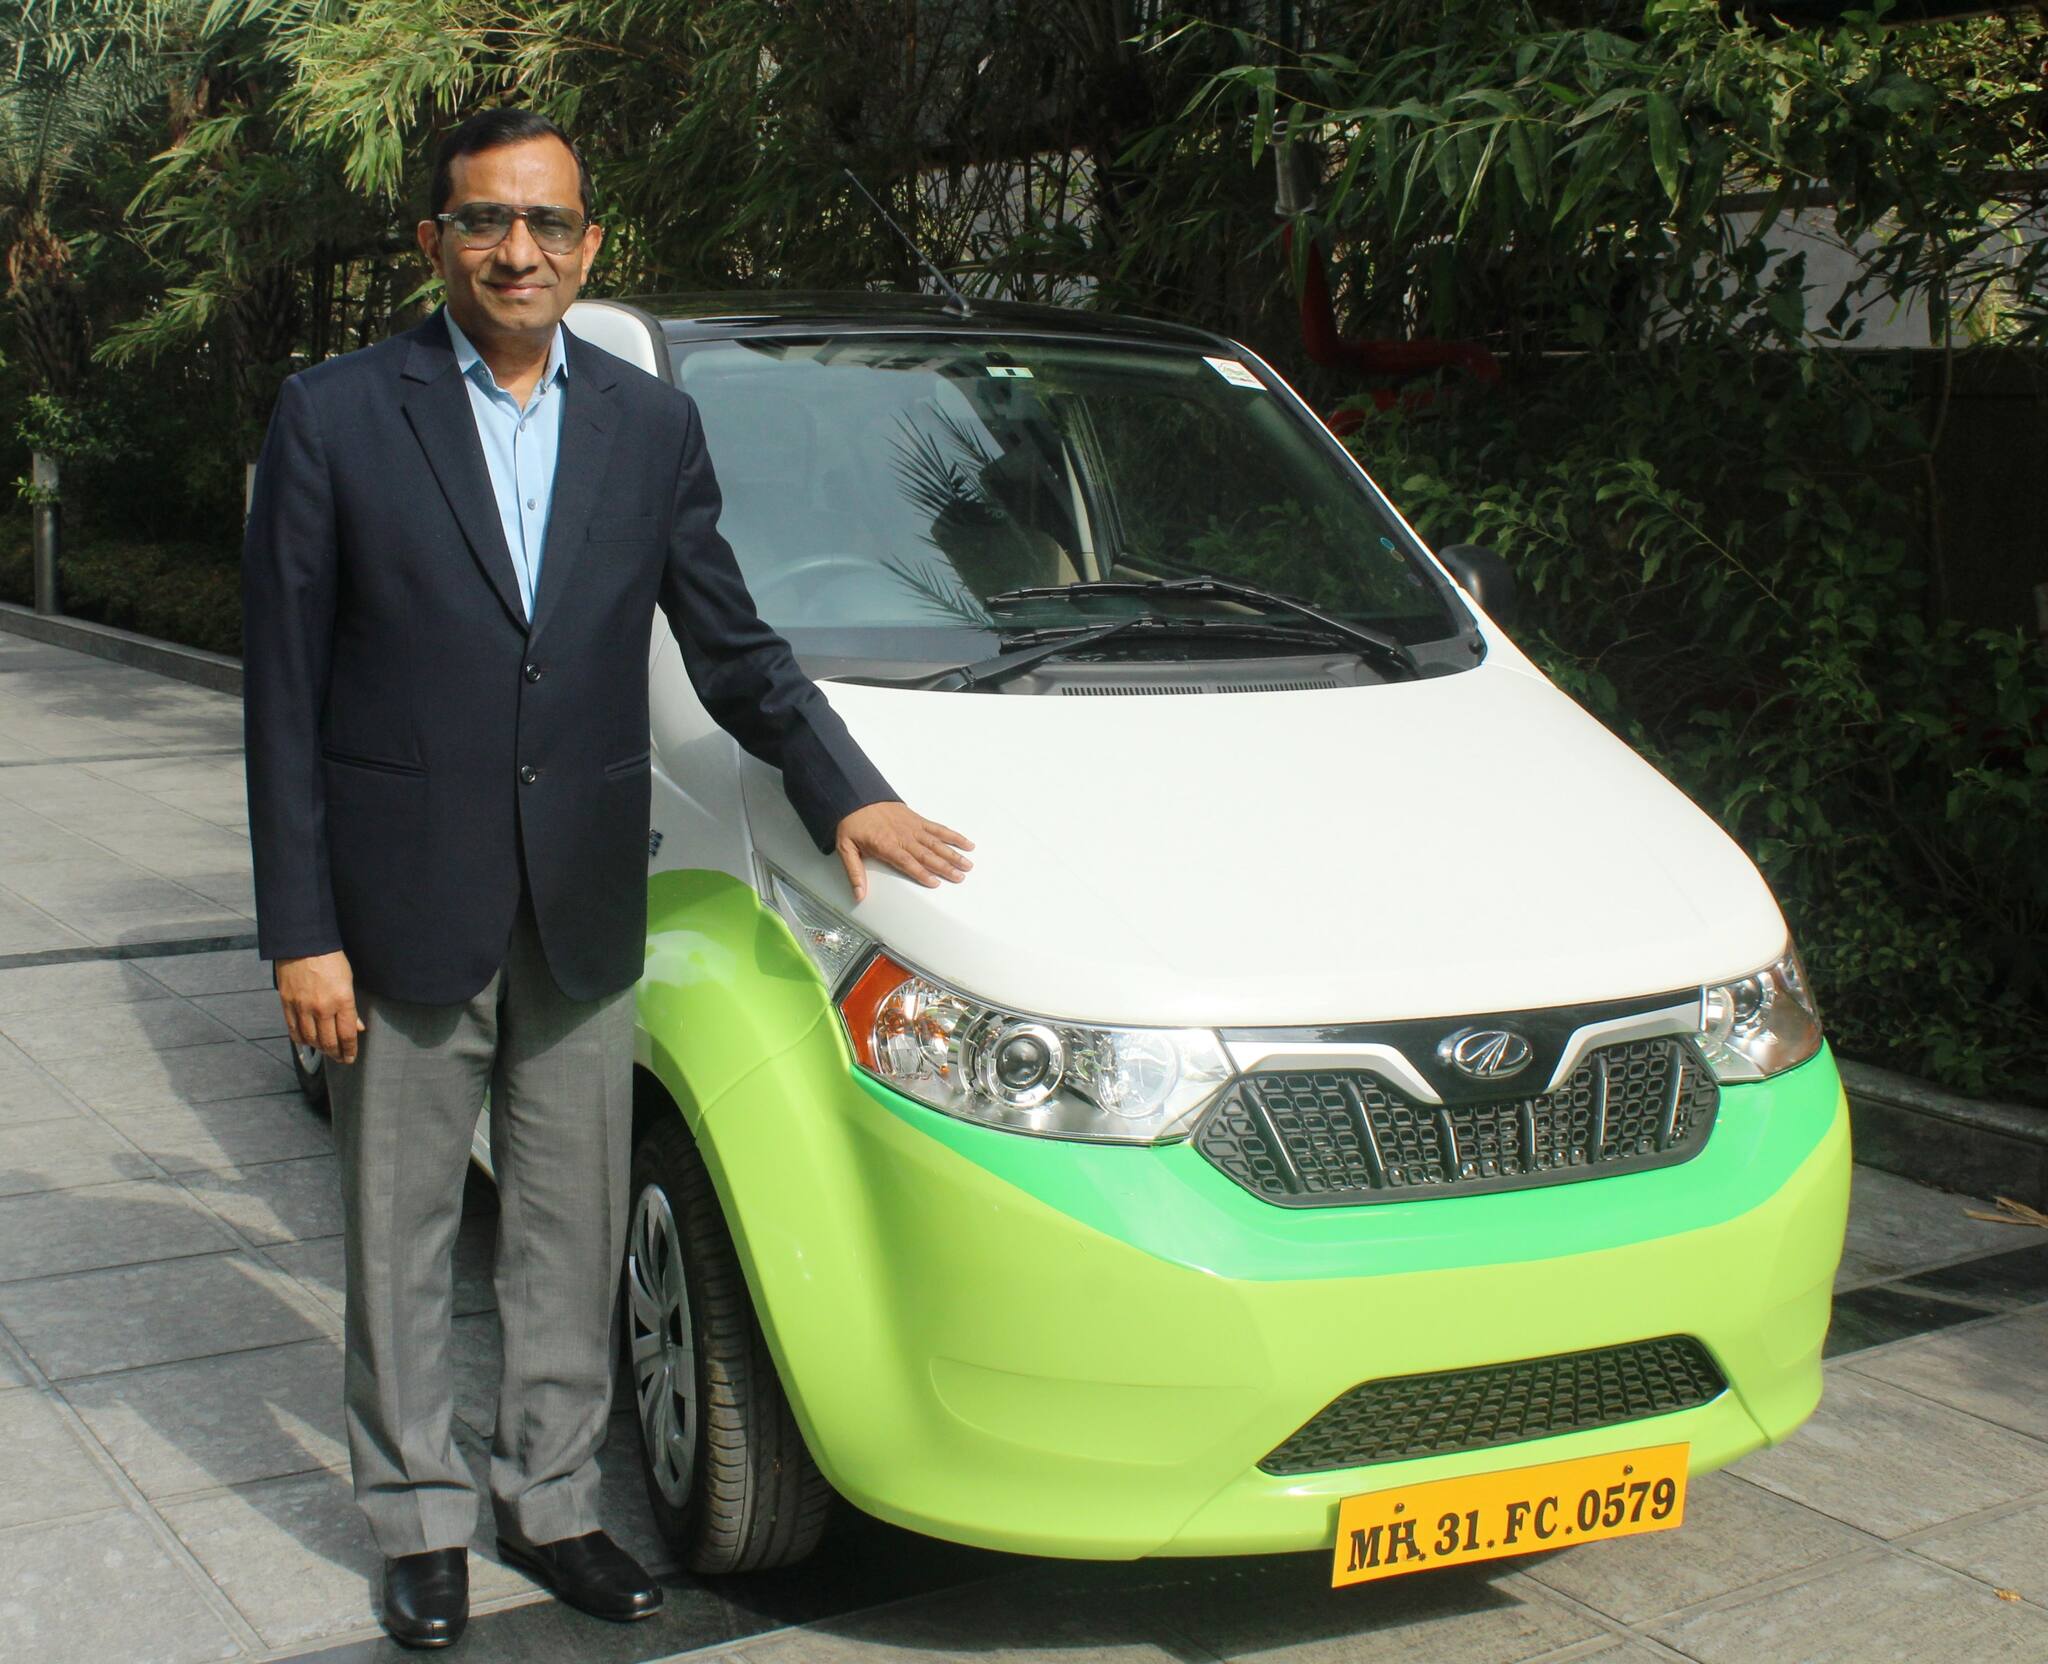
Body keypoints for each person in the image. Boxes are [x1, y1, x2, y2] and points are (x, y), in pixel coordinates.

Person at [242, 108, 973, 1650]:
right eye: (488, 222)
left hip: (580, 892)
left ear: (591, 244)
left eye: (551, 224)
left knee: (570, 1222)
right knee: (402, 1226)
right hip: (399, 907)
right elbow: (284, 697)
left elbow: (731, 640)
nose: (522, 251)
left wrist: (852, 793)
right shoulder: (335, 415)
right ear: (434, 238)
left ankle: (555, 1499)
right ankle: (418, 1519)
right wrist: (301, 931)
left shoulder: (647, 425)